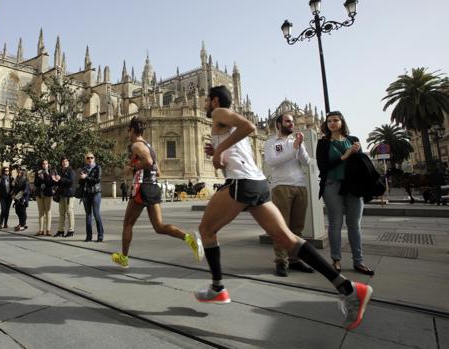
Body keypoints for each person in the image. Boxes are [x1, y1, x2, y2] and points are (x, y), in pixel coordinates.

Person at [197, 86, 372, 330]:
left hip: (242, 183)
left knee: (206, 230)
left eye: (206, 100)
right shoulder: (225, 122)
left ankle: (217, 287)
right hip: (258, 183)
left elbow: (249, 126)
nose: (204, 104)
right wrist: (219, 150)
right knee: (287, 238)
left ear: (214, 101)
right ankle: (349, 288)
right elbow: (238, 149)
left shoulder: (219, 113)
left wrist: (219, 150)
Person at [111, 117, 203, 268]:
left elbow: (147, 162)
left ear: (132, 130)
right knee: (159, 226)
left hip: (141, 187)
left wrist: (132, 169)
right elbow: (157, 171)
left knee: (127, 224)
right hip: (153, 186)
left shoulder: (136, 145)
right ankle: (189, 239)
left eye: (129, 131)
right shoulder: (149, 146)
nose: (128, 134)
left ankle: (124, 258)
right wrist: (136, 164)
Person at [316, 111, 374, 276]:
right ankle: (336, 259)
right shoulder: (324, 143)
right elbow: (323, 166)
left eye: (335, 120)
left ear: (342, 122)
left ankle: (359, 261)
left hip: (353, 186)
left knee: (354, 224)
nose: (332, 123)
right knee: (335, 223)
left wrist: (358, 153)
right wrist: (345, 156)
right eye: (329, 121)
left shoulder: (353, 140)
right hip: (332, 184)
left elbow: (361, 165)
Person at [263, 112, 314, 277]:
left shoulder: (295, 141)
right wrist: (293, 149)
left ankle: (295, 260)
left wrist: (299, 147)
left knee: (297, 228)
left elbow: (306, 162)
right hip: (281, 187)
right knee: (281, 227)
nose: (291, 124)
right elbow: (272, 162)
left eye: (292, 121)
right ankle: (281, 262)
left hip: (300, 185)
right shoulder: (271, 142)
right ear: (279, 124)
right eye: (287, 121)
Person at [78, 152, 104, 242]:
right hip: (86, 194)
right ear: (86, 159)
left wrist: (86, 178)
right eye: (88, 158)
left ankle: (100, 236)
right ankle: (89, 236)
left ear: (94, 158)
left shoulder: (98, 167)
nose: (90, 159)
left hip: (96, 193)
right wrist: (81, 178)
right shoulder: (84, 169)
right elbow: (80, 183)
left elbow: (97, 180)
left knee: (96, 214)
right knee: (88, 215)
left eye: (91, 158)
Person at [53, 157, 76, 237]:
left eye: (66, 161)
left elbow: (71, 182)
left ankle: (71, 230)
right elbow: (59, 183)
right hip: (62, 194)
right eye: (63, 161)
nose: (65, 162)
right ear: (61, 163)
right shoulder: (60, 171)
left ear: (68, 162)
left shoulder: (71, 171)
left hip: (69, 194)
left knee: (69, 212)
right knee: (61, 213)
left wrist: (61, 179)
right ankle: (61, 230)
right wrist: (55, 180)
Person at [34, 159, 55, 236]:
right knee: (41, 212)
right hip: (39, 194)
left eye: (46, 163)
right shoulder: (38, 172)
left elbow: (51, 183)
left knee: (48, 212)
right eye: (43, 164)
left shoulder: (51, 172)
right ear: (41, 165)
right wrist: (39, 178)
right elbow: (36, 183)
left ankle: (48, 230)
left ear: (48, 165)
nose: (45, 165)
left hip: (48, 194)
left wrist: (44, 177)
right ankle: (41, 230)